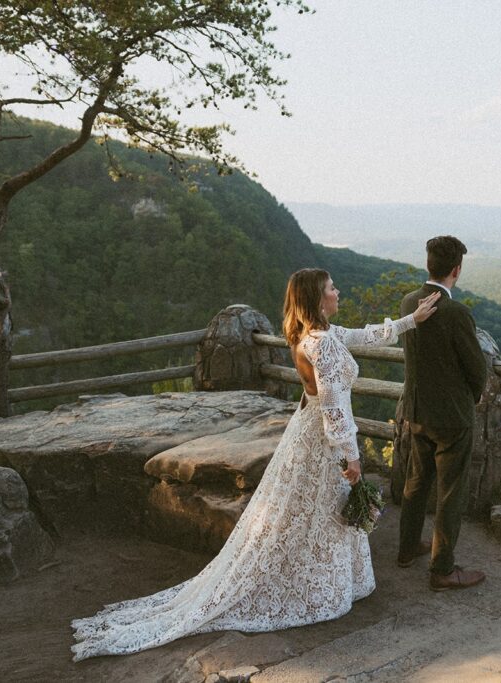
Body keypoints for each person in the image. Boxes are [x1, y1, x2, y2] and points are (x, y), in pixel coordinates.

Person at [70, 269, 439, 661]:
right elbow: (334, 409)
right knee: (325, 514)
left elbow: (364, 335)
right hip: (323, 441)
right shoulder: (324, 345)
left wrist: (410, 321)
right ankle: (317, 590)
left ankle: (318, 580)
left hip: (306, 433)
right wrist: (352, 458)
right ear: (317, 299)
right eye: (332, 288)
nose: (338, 292)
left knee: (308, 516)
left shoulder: (312, 337)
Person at [397, 235, 489, 591]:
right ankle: (443, 568)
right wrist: (474, 397)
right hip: (451, 417)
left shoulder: (408, 302)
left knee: (416, 482)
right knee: (450, 490)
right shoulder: (457, 313)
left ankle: (406, 549)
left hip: (416, 411)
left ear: (428, 265)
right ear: (456, 270)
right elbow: (475, 368)